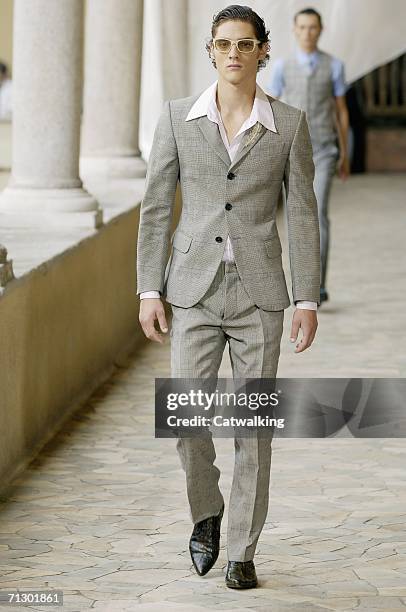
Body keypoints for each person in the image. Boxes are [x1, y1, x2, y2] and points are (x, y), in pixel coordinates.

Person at [137, 4, 320, 589]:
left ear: (263, 50)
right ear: (210, 51)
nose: (234, 54)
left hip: (260, 295)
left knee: (251, 429)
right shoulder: (175, 119)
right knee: (186, 416)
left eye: (246, 44)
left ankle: (242, 547)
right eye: (224, 44)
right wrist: (149, 287)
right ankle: (208, 510)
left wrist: (307, 298)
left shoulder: (287, 124)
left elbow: (304, 218)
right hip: (191, 289)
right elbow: (156, 209)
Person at [268, 7, 350, 304]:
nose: (307, 33)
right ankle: (300, 282)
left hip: (325, 149)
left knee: (319, 215)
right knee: (296, 217)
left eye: (312, 27)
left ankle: (318, 285)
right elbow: (271, 107)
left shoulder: (335, 66)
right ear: (294, 30)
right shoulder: (281, 67)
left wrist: (345, 153)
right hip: (292, 151)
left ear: (320, 29)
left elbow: (341, 111)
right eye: (302, 27)